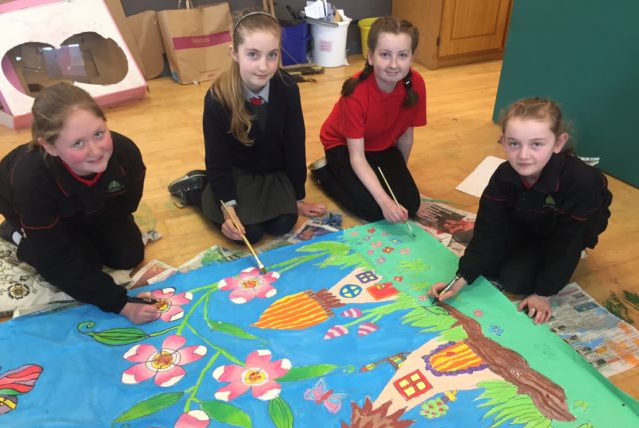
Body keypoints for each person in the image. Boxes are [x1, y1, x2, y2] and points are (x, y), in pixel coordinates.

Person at [428, 97, 612, 324]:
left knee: (515, 280)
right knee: (484, 264)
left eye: (536, 144)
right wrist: (460, 279)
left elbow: (569, 241)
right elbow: (488, 226)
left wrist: (544, 292)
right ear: (502, 142)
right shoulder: (503, 175)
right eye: (514, 144)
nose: (524, 155)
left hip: (565, 232)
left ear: (558, 143)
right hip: (528, 219)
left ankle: (537, 259)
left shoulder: (580, 182)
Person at [0, 82, 158, 324]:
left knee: (128, 255)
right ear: (49, 146)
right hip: (23, 204)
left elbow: (125, 207)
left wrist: (98, 225)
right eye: (78, 143)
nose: (95, 150)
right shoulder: (31, 182)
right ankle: (18, 235)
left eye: (99, 133)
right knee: (73, 263)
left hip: (85, 207)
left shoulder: (126, 153)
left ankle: (76, 226)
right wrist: (120, 304)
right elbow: (57, 259)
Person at [168, 8, 326, 244]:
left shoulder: (288, 88)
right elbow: (217, 158)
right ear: (234, 53)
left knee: (283, 224)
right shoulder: (217, 97)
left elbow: (295, 146)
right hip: (237, 173)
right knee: (249, 233)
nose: (264, 66)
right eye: (253, 55)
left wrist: (298, 197)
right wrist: (227, 205)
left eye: (272, 55)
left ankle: (258, 201)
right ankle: (199, 191)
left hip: (272, 173)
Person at [311, 16, 426, 223]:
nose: (393, 64)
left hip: (380, 145)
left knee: (411, 203)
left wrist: (399, 173)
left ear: (411, 57)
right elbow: (357, 157)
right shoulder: (355, 93)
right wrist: (385, 201)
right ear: (370, 56)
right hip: (344, 145)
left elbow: (406, 135)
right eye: (385, 54)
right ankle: (324, 174)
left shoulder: (416, 84)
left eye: (402, 55)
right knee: (375, 210)